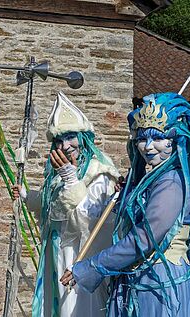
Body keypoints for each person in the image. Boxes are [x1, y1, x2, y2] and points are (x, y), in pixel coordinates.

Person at [61, 92, 190, 316]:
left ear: (175, 139)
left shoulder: (172, 182)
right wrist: (128, 195)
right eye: (142, 139)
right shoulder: (155, 179)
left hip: (161, 286)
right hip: (143, 283)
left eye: (158, 138)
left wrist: (91, 266)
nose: (148, 147)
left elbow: (144, 238)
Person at [14, 92, 120, 316]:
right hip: (56, 252)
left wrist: (72, 181)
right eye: (59, 141)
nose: (65, 146)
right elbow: (50, 207)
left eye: (70, 137)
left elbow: (92, 221)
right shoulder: (57, 174)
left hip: (81, 255)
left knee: (74, 306)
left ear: (83, 137)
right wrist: (26, 195)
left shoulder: (99, 171)